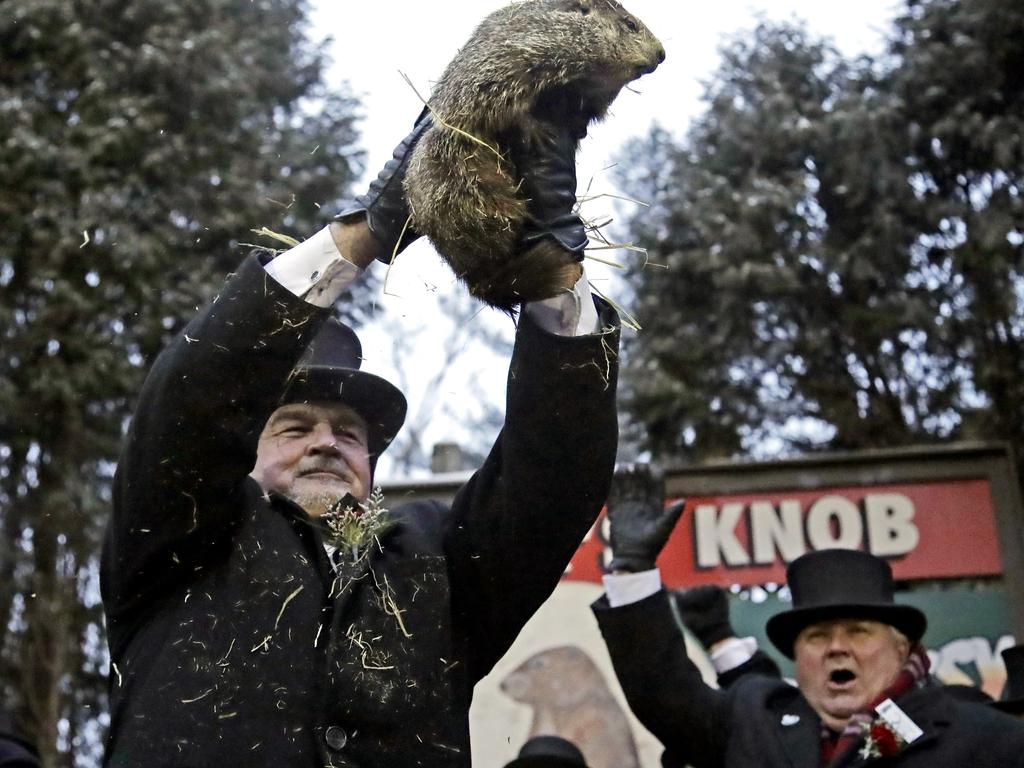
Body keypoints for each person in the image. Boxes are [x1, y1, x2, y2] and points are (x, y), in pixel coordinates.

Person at [100, 106, 620, 768]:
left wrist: (555, 289)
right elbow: (188, 410)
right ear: (246, 451)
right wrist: (364, 235)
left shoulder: (432, 560)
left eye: (350, 434)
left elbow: (553, 482)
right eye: (295, 426)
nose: (326, 442)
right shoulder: (182, 538)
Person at [592, 464, 1024, 767]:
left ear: (901, 647)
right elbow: (664, 694)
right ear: (796, 656)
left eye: (858, 631)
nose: (838, 647)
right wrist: (632, 568)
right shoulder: (754, 720)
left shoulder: (986, 738)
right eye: (817, 636)